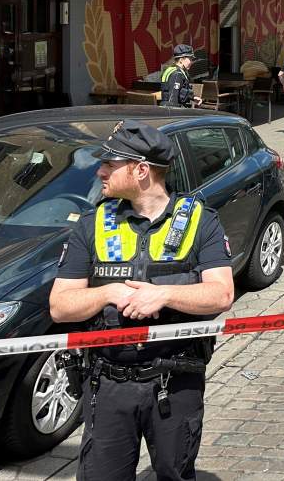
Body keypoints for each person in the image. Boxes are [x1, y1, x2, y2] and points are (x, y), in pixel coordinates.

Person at [49, 120, 234, 481]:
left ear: (141, 170)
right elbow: (59, 305)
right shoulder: (91, 224)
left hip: (175, 380)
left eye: (110, 164)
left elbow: (222, 294)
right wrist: (107, 292)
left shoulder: (200, 221)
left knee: (174, 473)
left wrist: (164, 294)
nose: (100, 171)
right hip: (108, 383)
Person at [159, 43, 200, 108]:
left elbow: (180, 92)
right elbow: (173, 98)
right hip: (172, 110)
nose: (192, 62)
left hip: (165, 107)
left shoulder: (171, 69)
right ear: (181, 60)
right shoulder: (177, 74)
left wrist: (192, 97)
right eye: (190, 59)